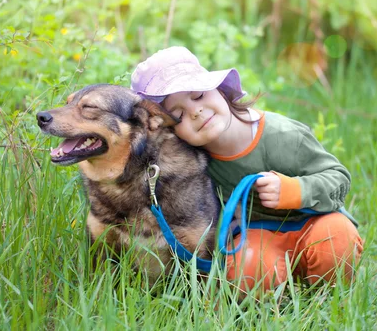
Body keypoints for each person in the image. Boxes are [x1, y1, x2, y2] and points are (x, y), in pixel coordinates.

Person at [131, 46, 363, 292]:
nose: (196, 111)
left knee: (336, 238)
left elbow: (338, 178)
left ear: (220, 90)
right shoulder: (193, 163)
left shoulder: (282, 135)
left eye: (198, 96)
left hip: (313, 223)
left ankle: (329, 297)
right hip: (258, 235)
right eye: (179, 115)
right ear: (170, 132)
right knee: (249, 266)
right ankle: (273, 300)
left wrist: (294, 190)